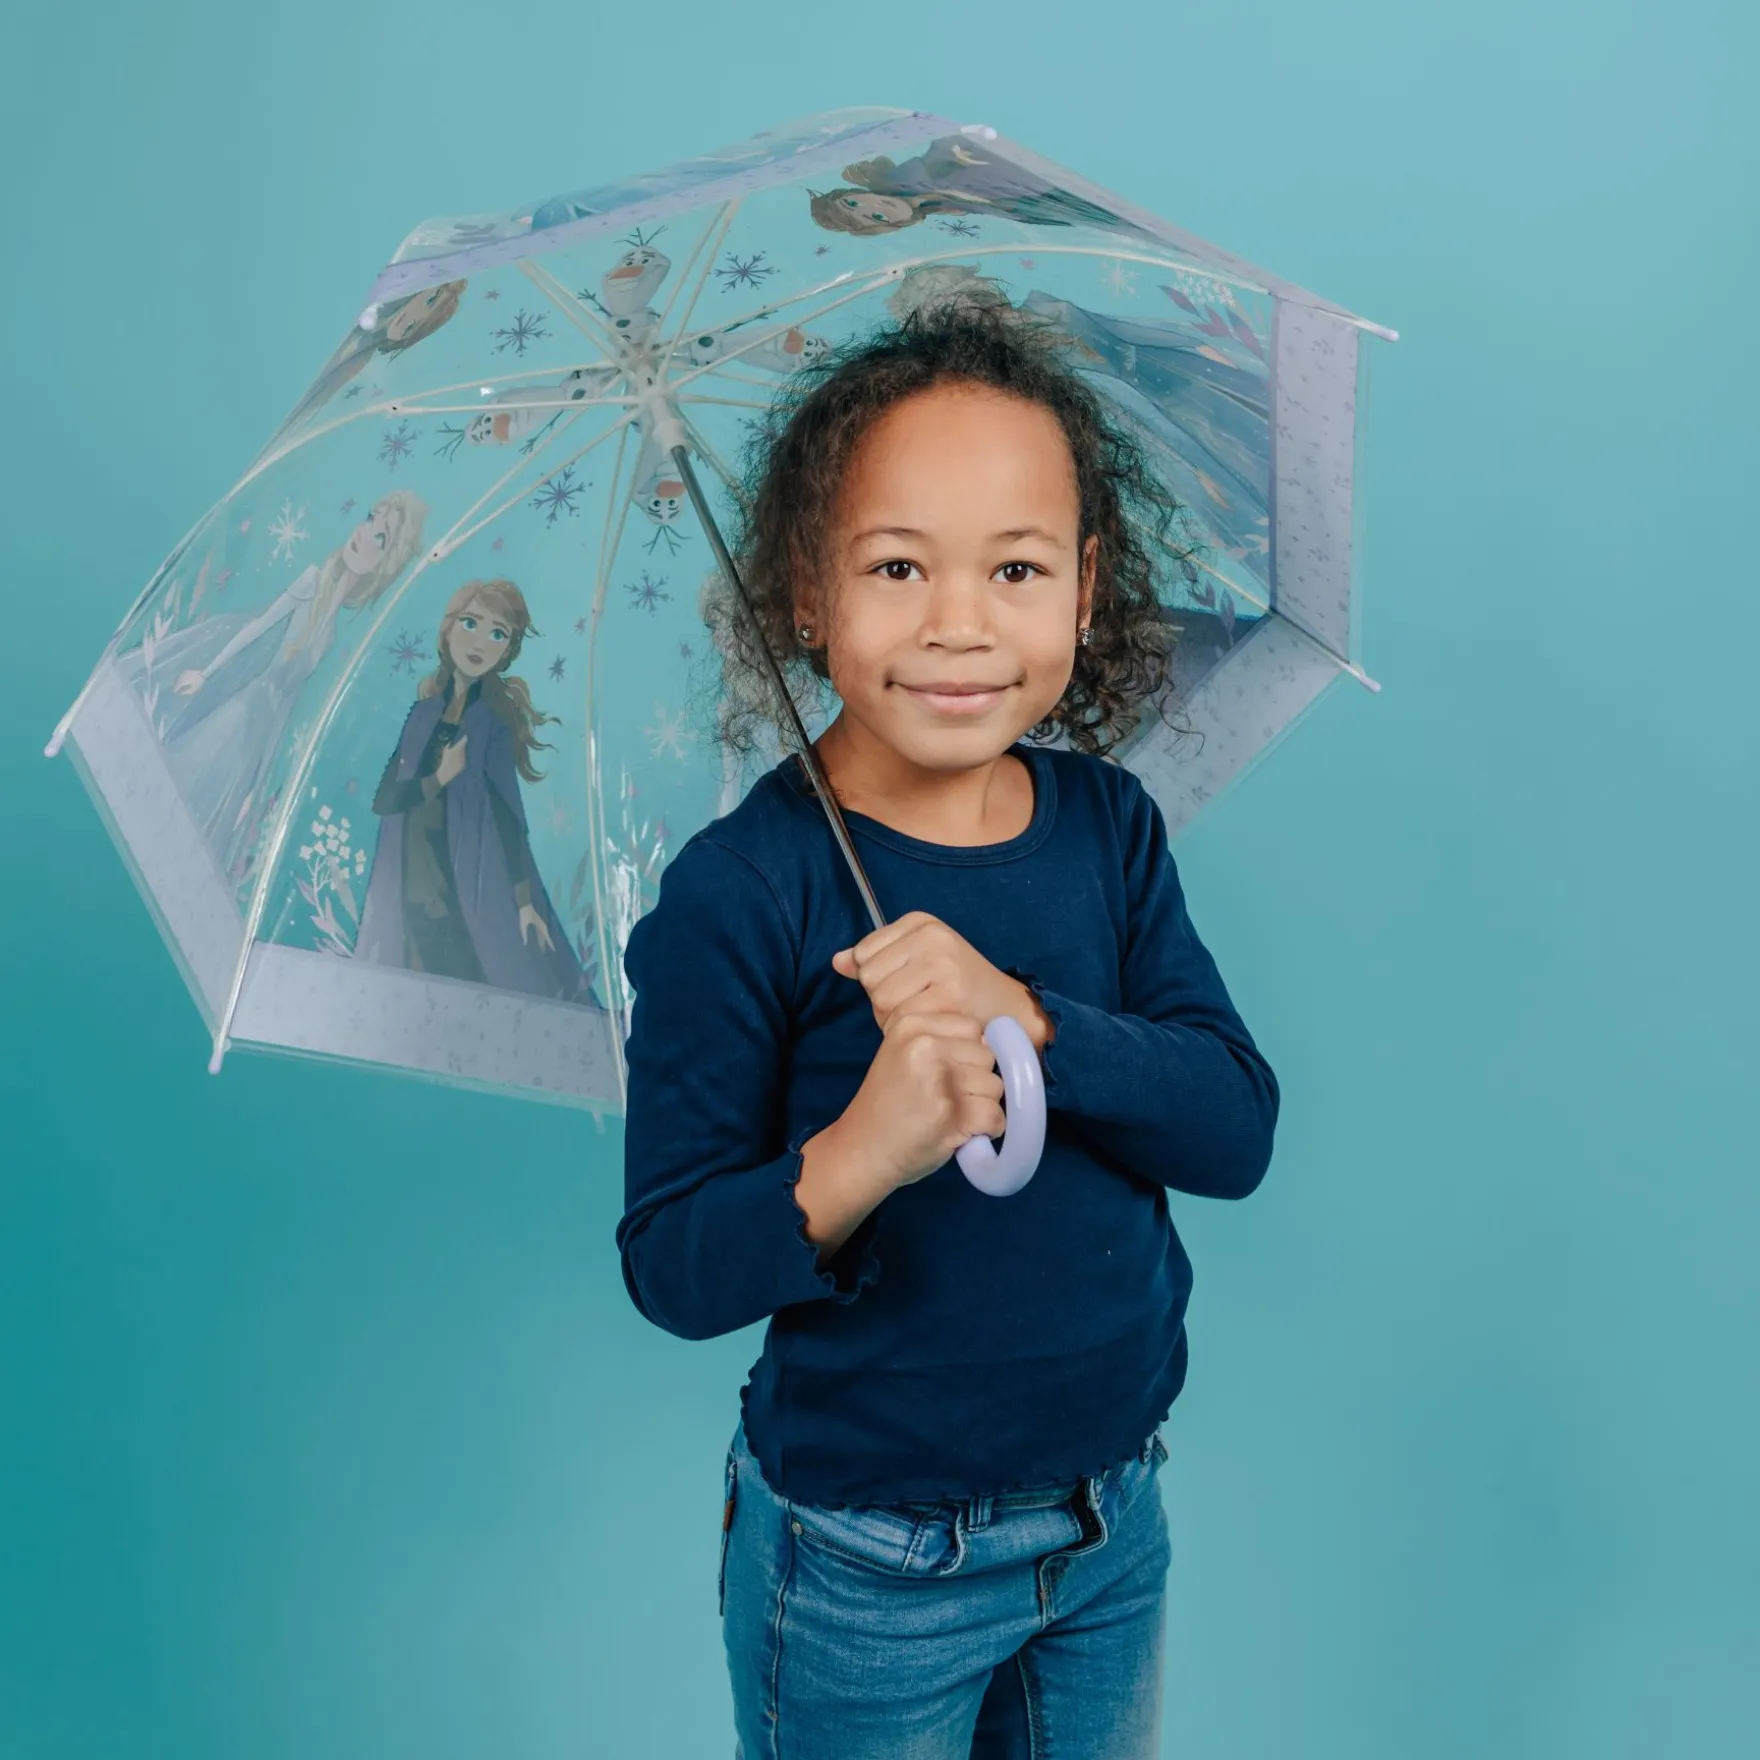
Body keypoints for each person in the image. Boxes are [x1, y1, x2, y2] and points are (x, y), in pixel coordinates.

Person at [616, 304, 1280, 1758]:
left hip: (1110, 1518)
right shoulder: (745, 891)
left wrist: (1027, 1014)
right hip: (867, 1565)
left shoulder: (1106, 828)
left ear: (1087, 588)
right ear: (807, 589)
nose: (958, 623)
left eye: (1016, 569)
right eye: (896, 566)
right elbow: (669, 1262)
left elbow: (1233, 1127)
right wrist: (862, 1151)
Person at [119, 491, 429, 879]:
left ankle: (163, 855)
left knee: (199, 819)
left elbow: (286, 706)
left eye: (380, 538)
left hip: (255, 734)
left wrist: (259, 780)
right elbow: (257, 626)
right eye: (369, 518)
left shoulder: (328, 637)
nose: (364, 534)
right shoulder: (311, 581)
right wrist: (206, 672)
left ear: (384, 565)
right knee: (176, 777)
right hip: (237, 708)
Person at [353, 578, 590, 1003]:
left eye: (498, 633)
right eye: (470, 623)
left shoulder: (493, 724)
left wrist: (524, 901)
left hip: (464, 888)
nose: (481, 641)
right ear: (447, 629)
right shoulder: (422, 714)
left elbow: (508, 815)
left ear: (507, 650)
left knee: (471, 986)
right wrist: (438, 779)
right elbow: (385, 800)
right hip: (410, 879)